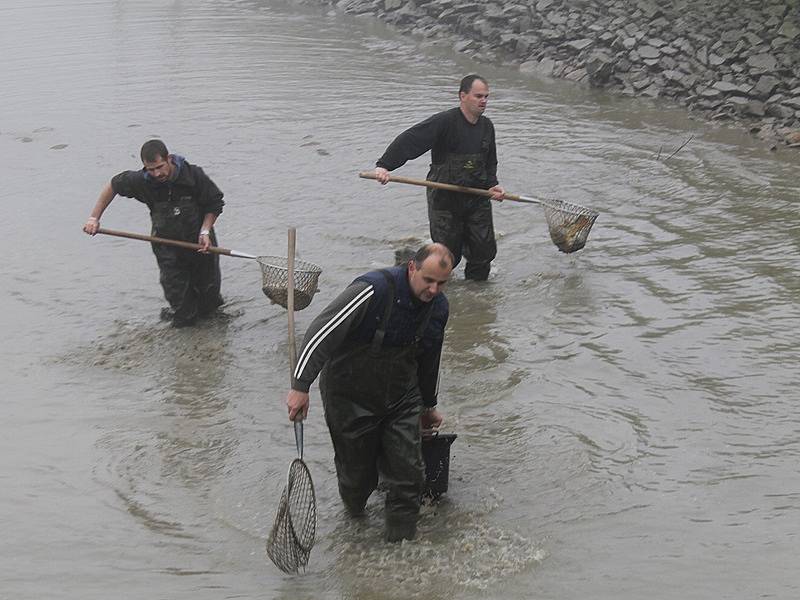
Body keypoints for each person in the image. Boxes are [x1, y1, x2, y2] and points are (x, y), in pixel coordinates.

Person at [286, 243, 453, 542]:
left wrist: (428, 407)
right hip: (349, 394)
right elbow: (321, 332)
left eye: (442, 283)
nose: (434, 290)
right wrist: (301, 386)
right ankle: (356, 527)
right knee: (357, 482)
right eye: (429, 280)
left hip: (401, 396)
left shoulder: (438, 308)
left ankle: (400, 550)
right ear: (412, 268)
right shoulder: (374, 289)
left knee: (409, 475)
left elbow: (430, 359)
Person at [374, 74, 505, 281]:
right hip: (445, 199)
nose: (484, 101)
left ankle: (478, 296)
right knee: (446, 256)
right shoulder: (445, 122)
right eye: (478, 96)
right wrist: (384, 166)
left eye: (486, 96)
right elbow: (411, 140)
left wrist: (494, 185)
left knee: (483, 251)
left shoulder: (487, 126)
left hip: (477, 199)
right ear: (463, 96)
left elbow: (490, 162)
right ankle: (411, 269)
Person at [83, 139, 225, 327]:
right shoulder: (141, 181)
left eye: (160, 167)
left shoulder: (193, 176)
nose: (157, 174)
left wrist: (205, 230)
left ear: (169, 159)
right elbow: (112, 185)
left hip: (201, 243)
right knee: (184, 312)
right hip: (167, 248)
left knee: (210, 305)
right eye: (151, 169)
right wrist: (94, 218)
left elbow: (214, 204)